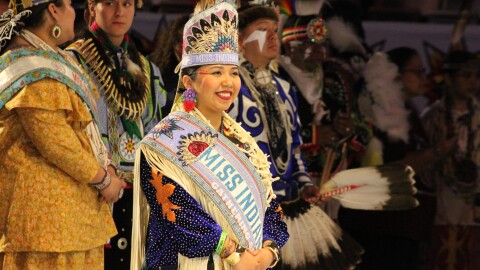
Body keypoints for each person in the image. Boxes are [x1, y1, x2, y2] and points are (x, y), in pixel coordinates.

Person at [130, 1, 289, 269]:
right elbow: (179, 215)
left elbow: (271, 208)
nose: (228, 82)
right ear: (189, 82)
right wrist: (234, 253)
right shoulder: (162, 145)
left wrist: (267, 252)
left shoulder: (243, 142)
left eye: (233, 73)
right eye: (216, 73)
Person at [229, 3, 363, 270]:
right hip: (245, 210)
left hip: (288, 205)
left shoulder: (285, 88)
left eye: (275, 30)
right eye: (262, 30)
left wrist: (303, 183)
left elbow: (295, 149)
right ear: (241, 40)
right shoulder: (230, 85)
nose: (272, 37)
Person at [0, 0, 126, 268]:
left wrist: (109, 169)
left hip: (73, 221)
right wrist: (105, 180)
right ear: (53, 11)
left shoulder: (55, 60)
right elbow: (57, 143)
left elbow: (82, 133)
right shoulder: (31, 67)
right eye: (69, 4)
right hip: (44, 226)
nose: (74, 13)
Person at [66, 0, 166, 268]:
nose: (119, 12)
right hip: (95, 188)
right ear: (92, 7)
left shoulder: (147, 69)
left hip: (139, 193)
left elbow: (155, 130)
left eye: (126, 4)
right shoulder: (73, 62)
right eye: (109, 3)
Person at [422, 50, 480, 270]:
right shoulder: (431, 117)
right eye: (466, 76)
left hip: (474, 207)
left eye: (476, 76)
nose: (473, 82)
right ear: (448, 79)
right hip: (441, 208)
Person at [149, 13, 190, 116]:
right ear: (172, 43)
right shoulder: (155, 69)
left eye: (190, 42)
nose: (184, 48)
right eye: (180, 41)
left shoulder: (204, 72)